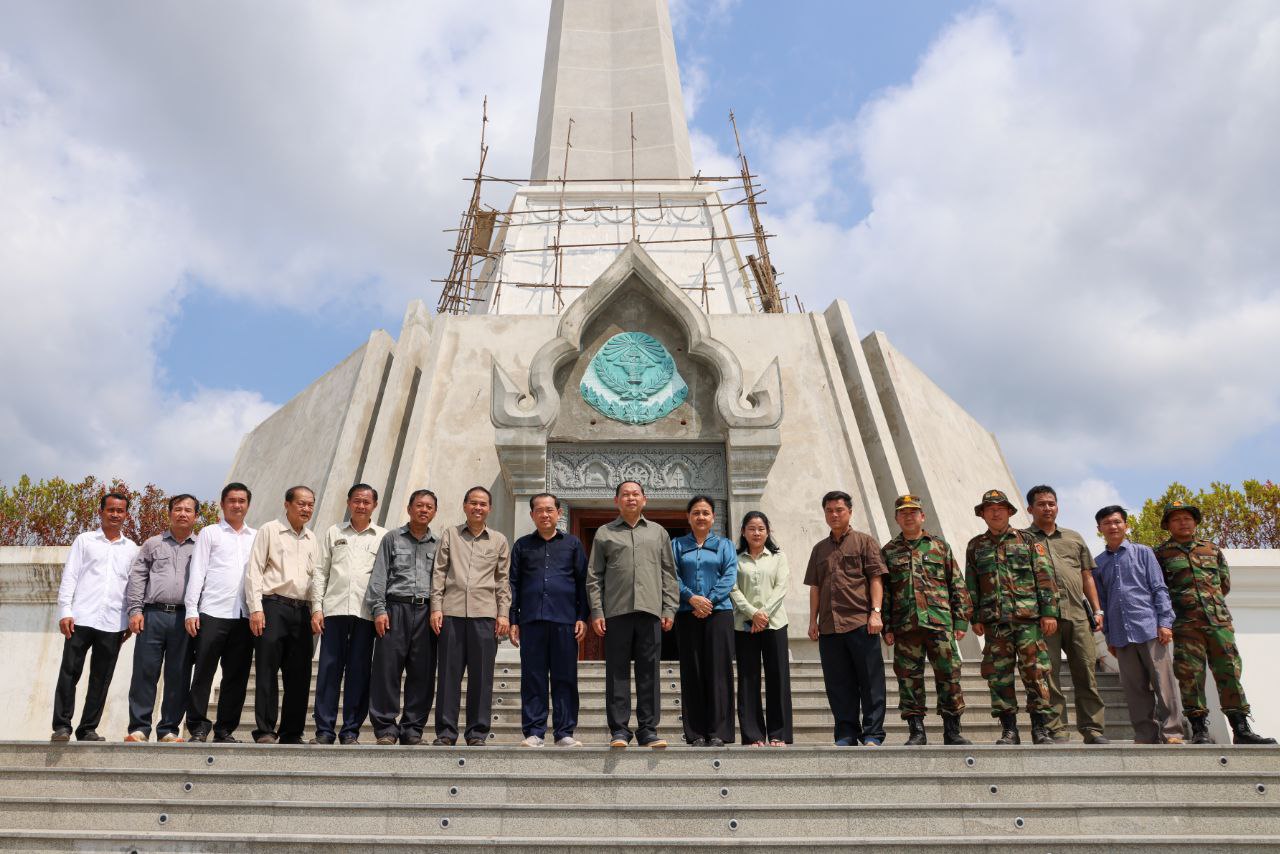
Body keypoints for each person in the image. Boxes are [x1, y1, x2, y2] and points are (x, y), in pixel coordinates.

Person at [1154, 500, 1275, 745]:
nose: (1183, 522)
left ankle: (1241, 728)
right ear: (1168, 525)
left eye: (1187, 518)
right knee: (1190, 676)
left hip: (1219, 623)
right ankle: (1199, 729)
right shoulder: (1161, 554)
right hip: (1185, 625)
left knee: (1229, 672)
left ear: (1195, 522)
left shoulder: (1211, 550)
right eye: (1176, 519)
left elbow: (1224, 583)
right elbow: (1159, 589)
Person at [587, 480, 679, 749]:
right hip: (616, 612)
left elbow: (669, 574)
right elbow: (594, 576)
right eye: (625, 494)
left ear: (644, 499)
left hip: (650, 611)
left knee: (649, 672)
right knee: (617, 672)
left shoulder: (658, 532)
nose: (630, 498)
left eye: (635, 494)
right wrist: (597, 611)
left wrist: (669, 607)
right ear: (616, 501)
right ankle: (619, 730)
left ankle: (648, 730)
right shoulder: (604, 533)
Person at [966, 489, 1059, 745]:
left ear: (1009, 512)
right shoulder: (975, 546)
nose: (995, 513)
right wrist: (974, 617)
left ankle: (1040, 728)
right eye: (990, 509)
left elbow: (1045, 578)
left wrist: (1049, 613)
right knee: (999, 677)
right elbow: (971, 584)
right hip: (995, 622)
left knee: (1035, 673)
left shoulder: (1028, 541)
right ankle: (1009, 730)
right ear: (983, 514)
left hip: (1028, 620)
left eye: (1000, 508)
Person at [881, 494, 973, 746]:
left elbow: (957, 584)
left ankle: (952, 730)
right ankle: (916, 731)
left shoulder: (940, 547)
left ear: (922, 516)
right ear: (897, 518)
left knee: (949, 676)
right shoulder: (889, 551)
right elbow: (885, 592)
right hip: (905, 626)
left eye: (913, 512)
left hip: (939, 623)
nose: (908, 516)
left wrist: (961, 621)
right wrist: (887, 627)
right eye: (903, 513)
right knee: (908, 680)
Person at [1022, 485, 1108, 744]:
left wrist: (1097, 609)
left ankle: (1092, 729)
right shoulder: (1022, 539)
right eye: (1041, 504)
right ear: (1030, 509)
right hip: (1042, 618)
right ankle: (1057, 730)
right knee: (1049, 676)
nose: (1047, 508)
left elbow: (1086, 576)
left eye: (1051, 503)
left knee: (1086, 673)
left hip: (1077, 615)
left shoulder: (1074, 537)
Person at [51, 492, 138, 742]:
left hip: (113, 622)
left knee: (101, 678)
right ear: (101, 512)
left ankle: (88, 728)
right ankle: (62, 726)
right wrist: (65, 610)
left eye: (120, 510)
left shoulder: (131, 549)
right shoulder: (85, 541)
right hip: (80, 618)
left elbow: (132, 586)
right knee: (69, 673)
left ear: (126, 515)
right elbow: (70, 576)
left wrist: (130, 617)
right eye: (110, 509)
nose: (115, 514)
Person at [1091, 505, 1183, 744]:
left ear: (1126, 525)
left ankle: (1172, 732)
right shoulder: (1098, 563)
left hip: (1150, 628)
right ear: (1099, 528)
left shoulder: (1143, 553)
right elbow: (1102, 602)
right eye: (1107, 523)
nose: (1113, 526)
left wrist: (1165, 622)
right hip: (1120, 634)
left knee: (1163, 684)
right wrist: (1109, 636)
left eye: (1117, 522)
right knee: (1134, 689)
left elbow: (1159, 588)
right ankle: (1145, 734)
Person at [804, 490, 888, 747]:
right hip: (830, 627)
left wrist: (876, 613)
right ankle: (846, 734)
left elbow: (876, 578)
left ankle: (873, 734)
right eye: (829, 510)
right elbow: (815, 587)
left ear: (850, 512)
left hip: (861, 622)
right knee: (838, 685)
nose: (834, 515)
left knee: (870, 682)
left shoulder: (865, 542)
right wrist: (813, 621)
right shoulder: (819, 549)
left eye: (839, 510)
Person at [431, 486, 511, 746]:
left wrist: (503, 614)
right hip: (451, 614)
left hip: (485, 616)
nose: (478, 508)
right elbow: (439, 573)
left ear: (490, 508)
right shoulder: (450, 535)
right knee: (448, 676)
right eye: (473, 503)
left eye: (483, 504)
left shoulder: (498, 540)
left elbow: (502, 580)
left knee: (482, 676)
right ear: (465, 505)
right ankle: (446, 732)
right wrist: (436, 607)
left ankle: (477, 732)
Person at [509, 492, 588, 748]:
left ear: (559, 513)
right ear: (532, 515)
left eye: (549, 510)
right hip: (531, 620)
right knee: (533, 677)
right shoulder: (522, 545)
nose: (545, 514)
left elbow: (582, 582)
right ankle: (535, 732)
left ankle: (564, 732)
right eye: (539, 510)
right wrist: (513, 619)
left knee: (565, 677)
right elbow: (514, 584)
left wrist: (582, 617)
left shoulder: (573, 544)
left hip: (565, 620)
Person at [309, 484, 386, 745]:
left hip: (366, 614)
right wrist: (317, 608)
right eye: (357, 501)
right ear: (348, 502)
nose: (361, 506)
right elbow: (321, 571)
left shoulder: (382, 536)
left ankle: (351, 730)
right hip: (334, 611)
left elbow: (384, 577)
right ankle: (324, 730)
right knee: (329, 671)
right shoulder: (334, 532)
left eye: (366, 502)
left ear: (374, 505)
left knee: (359, 673)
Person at [244, 485, 320, 744]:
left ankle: (291, 732)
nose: (306, 508)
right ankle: (265, 730)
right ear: (287, 504)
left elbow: (316, 578)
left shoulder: (312, 538)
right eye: (301, 503)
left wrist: (316, 609)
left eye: (310, 504)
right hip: (273, 606)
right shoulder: (270, 530)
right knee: (267, 669)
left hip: (302, 610)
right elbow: (254, 570)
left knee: (299, 673)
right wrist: (255, 608)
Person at [364, 489, 440, 746]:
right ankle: (386, 728)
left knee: (423, 673)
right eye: (419, 505)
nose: (424, 510)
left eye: (429, 507)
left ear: (434, 512)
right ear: (409, 509)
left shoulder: (438, 544)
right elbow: (379, 575)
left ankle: (412, 730)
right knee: (387, 670)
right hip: (395, 610)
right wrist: (379, 609)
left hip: (426, 612)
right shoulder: (392, 538)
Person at [185, 483, 257, 743]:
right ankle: (197, 727)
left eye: (241, 501)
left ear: (248, 505)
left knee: (236, 677)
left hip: (243, 616)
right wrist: (191, 609)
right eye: (232, 500)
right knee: (203, 673)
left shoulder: (256, 536)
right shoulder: (210, 533)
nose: (237, 505)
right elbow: (198, 572)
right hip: (212, 612)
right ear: (223, 504)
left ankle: (225, 729)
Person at [123, 493, 198, 743]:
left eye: (188, 510)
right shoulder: (152, 544)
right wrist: (135, 610)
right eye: (178, 509)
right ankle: (139, 727)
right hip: (152, 615)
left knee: (179, 675)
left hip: (184, 619)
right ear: (169, 513)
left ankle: (168, 729)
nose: (183, 513)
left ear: (196, 516)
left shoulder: (201, 547)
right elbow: (138, 577)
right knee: (144, 672)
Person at [671, 496, 738, 747]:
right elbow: (671, 574)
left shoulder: (725, 545)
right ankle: (696, 733)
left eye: (705, 513)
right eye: (696, 513)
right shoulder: (676, 544)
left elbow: (729, 575)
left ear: (713, 517)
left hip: (719, 613)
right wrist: (691, 598)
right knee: (693, 671)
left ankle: (719, 732)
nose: (701, 517)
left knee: (719, 672)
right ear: (688, 517)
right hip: (687, 614)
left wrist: (708, 601)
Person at [729, 510, 793, 746]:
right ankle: (753, 735)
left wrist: (763, 614)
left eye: (761, 529)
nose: (756, 533)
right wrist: (752, 613)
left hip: (775, 624)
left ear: (768, 532)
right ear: (743, 532)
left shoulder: (778, 557)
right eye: (751, 529)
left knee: (778, 678)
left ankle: (779, 734)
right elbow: (732, 588)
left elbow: (781, 587)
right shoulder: (735, 558)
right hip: (744, 626)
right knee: (748, 679)